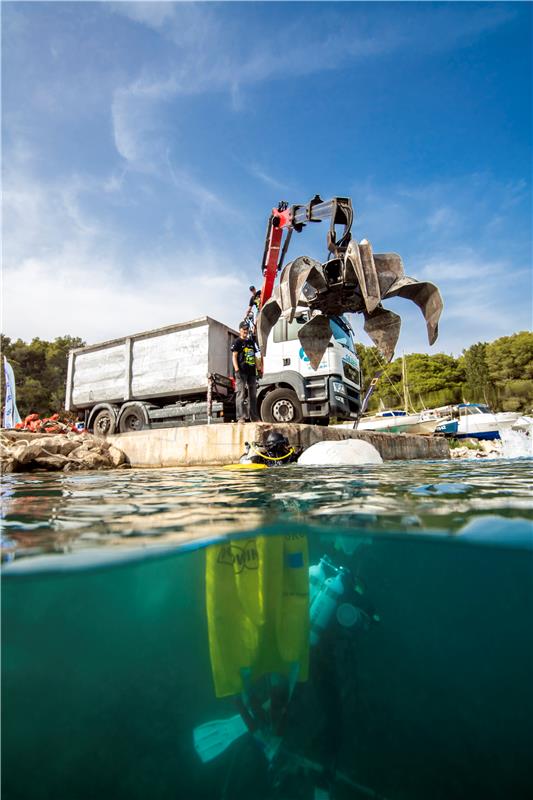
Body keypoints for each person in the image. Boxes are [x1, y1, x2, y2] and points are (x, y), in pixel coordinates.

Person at [231, 322, 262, 422]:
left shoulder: (251, 342)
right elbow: (234, 356)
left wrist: (258, 369)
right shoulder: (237, 342)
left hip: (252, 372)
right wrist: (237, 370)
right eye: (244, 329)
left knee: (253, 395)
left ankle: (254, 417)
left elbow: (256, 357)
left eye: (247, 328)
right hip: (241, 371)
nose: (245, 330)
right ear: (240, 330)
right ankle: (240, 417)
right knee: (241, 394)